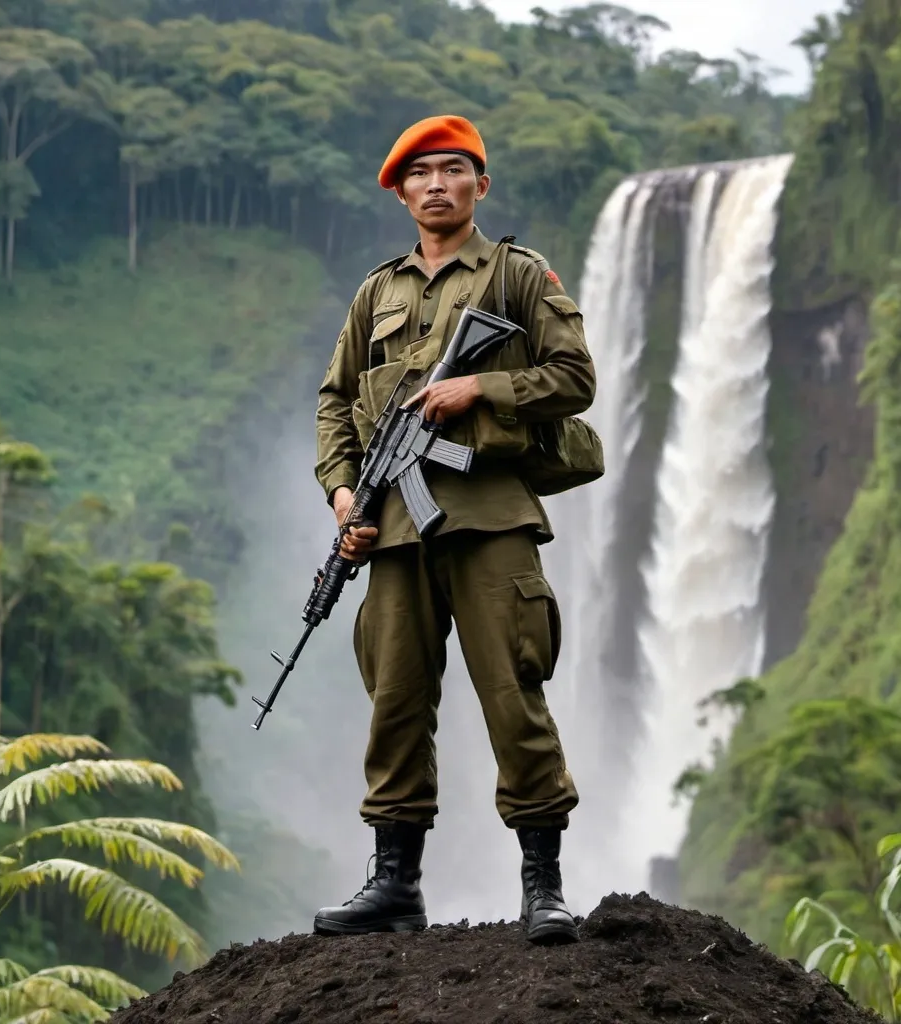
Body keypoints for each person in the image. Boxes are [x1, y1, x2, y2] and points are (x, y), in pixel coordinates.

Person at [312, 114, 596, 945]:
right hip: (395, 530)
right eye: (421, 174)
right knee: (395, 703)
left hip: (491, 518)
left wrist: (480, 392)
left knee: (514, 693)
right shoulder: (378, 292)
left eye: (453, 170)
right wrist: (340, 497)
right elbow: (335, 401)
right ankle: (394, 885)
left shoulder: (517, 274)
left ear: (481, 184)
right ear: (402, 193)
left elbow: (575, 378)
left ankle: (543, 887)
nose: (437, 184)